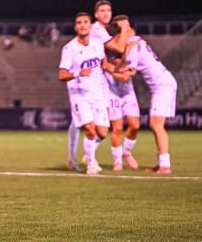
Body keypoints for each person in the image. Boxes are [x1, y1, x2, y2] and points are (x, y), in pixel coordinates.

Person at [111, 15, 178, 174]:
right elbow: (123, 64)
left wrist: (109, 67)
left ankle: (165, 165)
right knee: (156, 124)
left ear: (131, 29)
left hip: (163, 84)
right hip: (162, 84)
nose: (122, 32)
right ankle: (161, 162)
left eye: (125, 28)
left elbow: (127, 74)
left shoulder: (134, 46)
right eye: (119, 29)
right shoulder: (134, 43)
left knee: (156, 124)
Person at [58, 13, 120, 175]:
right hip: (79, 95)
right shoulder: (69, 49)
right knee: (90, 129)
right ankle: (91, 164)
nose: (83, 25)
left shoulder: (98, 44)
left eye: (86, 22)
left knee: (102, 132)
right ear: (75, 27)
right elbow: (62, 75)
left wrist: (117, 68)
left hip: (98, 94)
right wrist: (78, 73)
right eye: (79, 23)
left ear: (90, 26)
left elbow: (102, 63)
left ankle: (87, 154)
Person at [101, 36, 140, 171]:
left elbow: (124, 77)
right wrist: (109, 67)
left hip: (129, 95)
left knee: (134, 126)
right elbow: (121, 74)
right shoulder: (106, 62)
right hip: (113, 96)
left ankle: (126, 151)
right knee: (117, 128)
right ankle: (117, 161)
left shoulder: (129, 62)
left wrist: (110, 68)